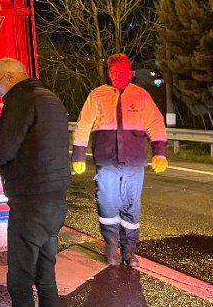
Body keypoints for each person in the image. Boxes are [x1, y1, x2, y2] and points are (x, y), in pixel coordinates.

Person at [0, 58, 70, 307]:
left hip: (30, 202)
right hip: (55, 201)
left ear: (10, 77)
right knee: (46, 276)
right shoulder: (51, 98)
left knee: (20, 279)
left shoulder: (20, 100)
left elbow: (3, 150)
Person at [72, 53, 168, 267]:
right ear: (108, 72)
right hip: (107, 161)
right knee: (107, 204)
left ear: (129, 72)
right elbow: (83, 125)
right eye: (113, 72)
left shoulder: (141, 96)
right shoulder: (97, 96)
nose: (117, 75)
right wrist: (78, 155)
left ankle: (129, 251)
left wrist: (160, 151)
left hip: (134, 162)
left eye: (121, 71)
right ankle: (111, 246)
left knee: (131, 206)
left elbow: (156, 123)